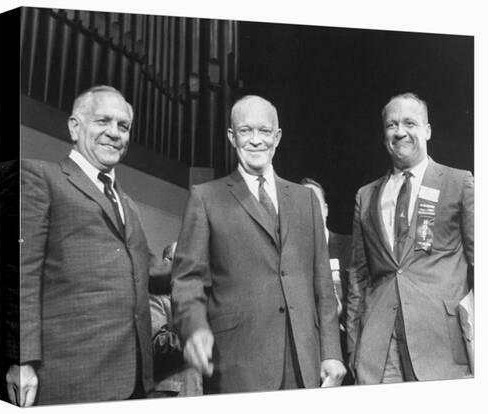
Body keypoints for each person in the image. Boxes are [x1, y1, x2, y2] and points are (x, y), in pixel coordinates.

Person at [171, 95, 346, 394]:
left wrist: (331, 351)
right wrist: (195, 328)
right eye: (245, 131)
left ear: (277, 137)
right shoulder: (206, 197)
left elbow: (323, 287)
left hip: (304, 363)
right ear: (231, 136)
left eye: (264, 131)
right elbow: (188, 279)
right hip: (236, 364)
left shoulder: (306, 201)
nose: (255, 140)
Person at [6, 85, 165, 406]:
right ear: (75, 127)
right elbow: (21, 273)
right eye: (102, 121)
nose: (114, 133)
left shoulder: (128, 203)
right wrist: (21, 359)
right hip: (69, 378)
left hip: (135, 381)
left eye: (123, 126)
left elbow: (150, 272)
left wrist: (215, 261)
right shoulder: (39, 176)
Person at [346, 92, 474, 384]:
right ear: (383, 135)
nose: (400, 131)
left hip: (443, 348)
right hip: (379, 350)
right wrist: (355, 345)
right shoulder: (365, 196)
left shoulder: (458, 182)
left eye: (409, 123)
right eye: (391, 125)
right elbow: (357, 279)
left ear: (427, 130)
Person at [300, 178, 353, 384]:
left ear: (326, 209)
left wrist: (340, 311)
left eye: (315, 202)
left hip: (345, 350)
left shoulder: (349, 247)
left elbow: (365, 297)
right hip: (307, 352)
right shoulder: (289, 257)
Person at [148, 242, 203, 397]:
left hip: (199, 390)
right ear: (167, 263)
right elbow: (157, 343)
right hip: (172, 393)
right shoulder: (156, 297)